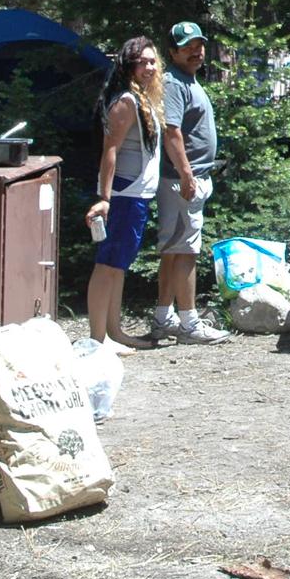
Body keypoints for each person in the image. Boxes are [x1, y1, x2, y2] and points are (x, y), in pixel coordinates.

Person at [147, 22, 229, 345]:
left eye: (199, 45)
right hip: (183, 180)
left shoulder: (189, 80)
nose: (196, 51)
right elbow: (172, 132)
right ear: (173, 52)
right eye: (187, 47)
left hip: (189, 178)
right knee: (186, 251)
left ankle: (163, 316)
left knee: (173, 250)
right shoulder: (173, 83)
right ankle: (189, 323)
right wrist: (186, 174)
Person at [86, 36, 164, 350]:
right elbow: (110, 150)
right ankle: (96, 339)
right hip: (123, 193)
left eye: (152, 61)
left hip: (138, 194)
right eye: (142, 62)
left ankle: (114, 332)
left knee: (119, 263)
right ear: (128, 66)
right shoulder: (126, 101)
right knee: (107, 263)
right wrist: (105, 198)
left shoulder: (140, 97)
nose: (149, 67)